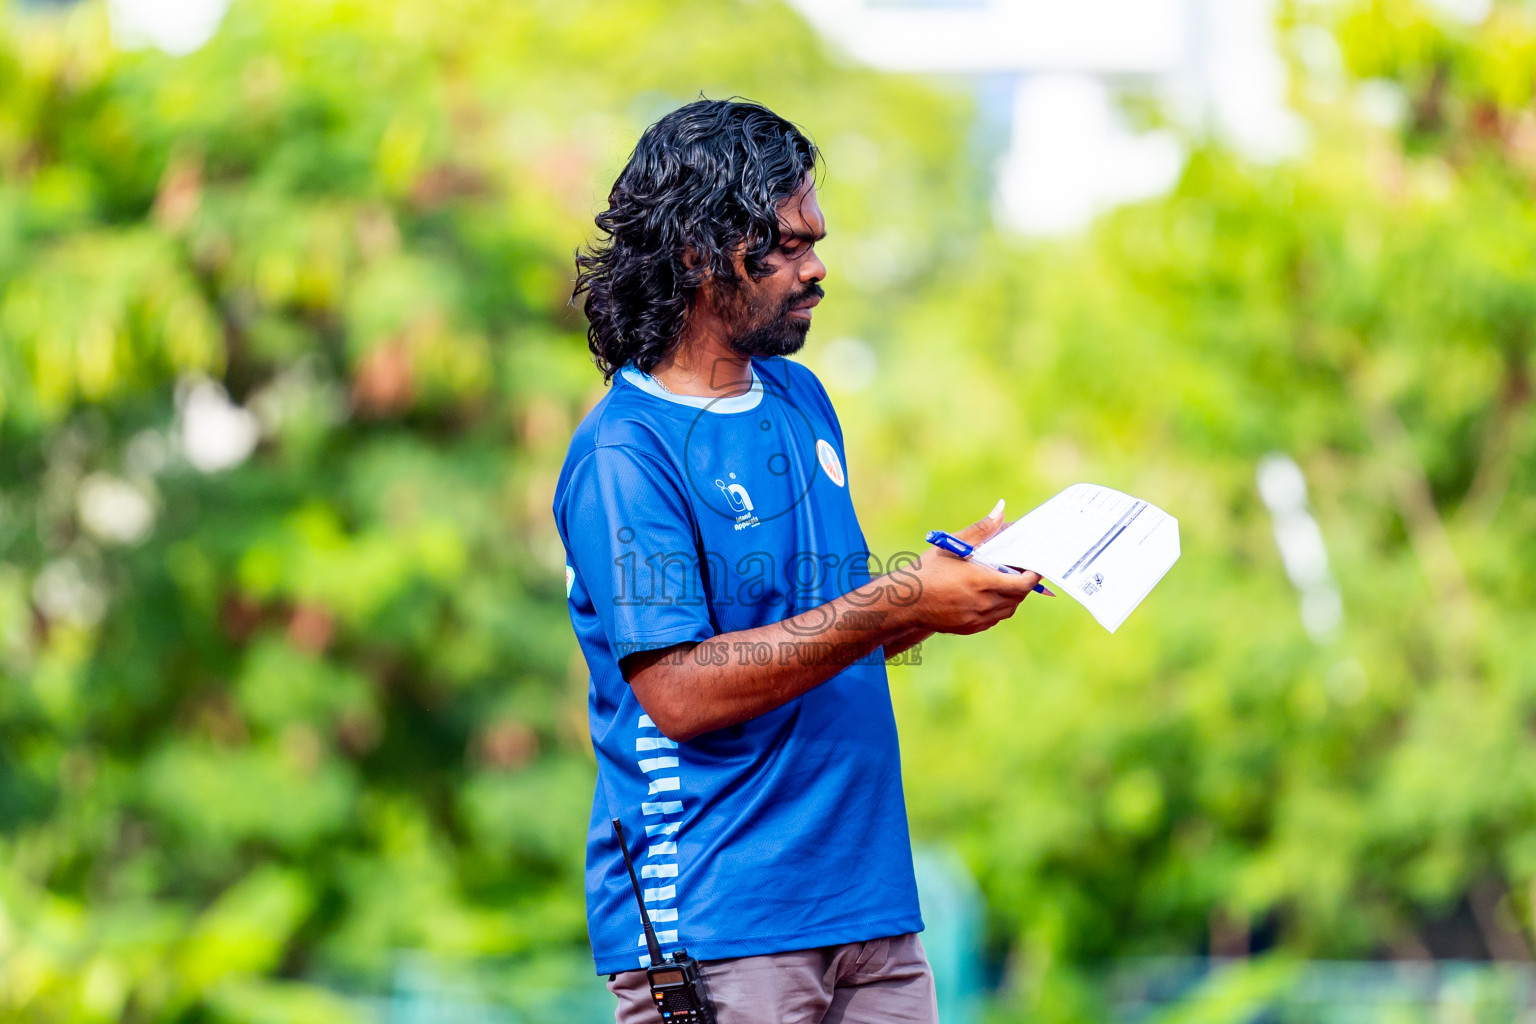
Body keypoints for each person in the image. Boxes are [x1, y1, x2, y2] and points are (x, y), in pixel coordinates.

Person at [554, 98, 1044, 1024]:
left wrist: (943, 583)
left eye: (815, 237)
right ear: (697, 254)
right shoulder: (626, 454)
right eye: (783, 245)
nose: (817, 267)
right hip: (720, 920)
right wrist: (900, 602)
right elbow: (684, 692)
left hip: (871, 914)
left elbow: (819, 633)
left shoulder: (801, 398)